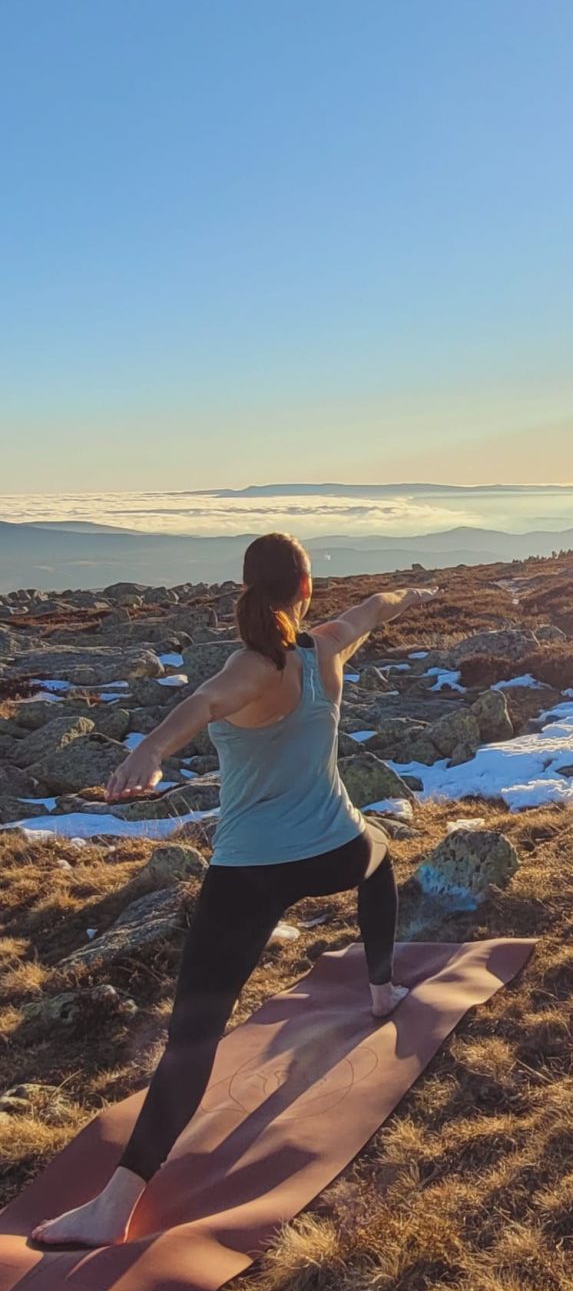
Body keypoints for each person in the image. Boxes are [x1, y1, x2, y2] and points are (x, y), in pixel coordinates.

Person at [30, 532, 438, 1248]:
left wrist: (150, 750)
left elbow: (203, 703)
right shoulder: (327, 648)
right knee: (377, 855)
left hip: (250, 874)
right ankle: (381, 990)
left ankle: (114, 1206)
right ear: (305, 589)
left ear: (248, 589)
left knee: (193, 1038)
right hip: (334, 850)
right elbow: (378, 605)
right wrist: (418, 594)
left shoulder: (251, 665)